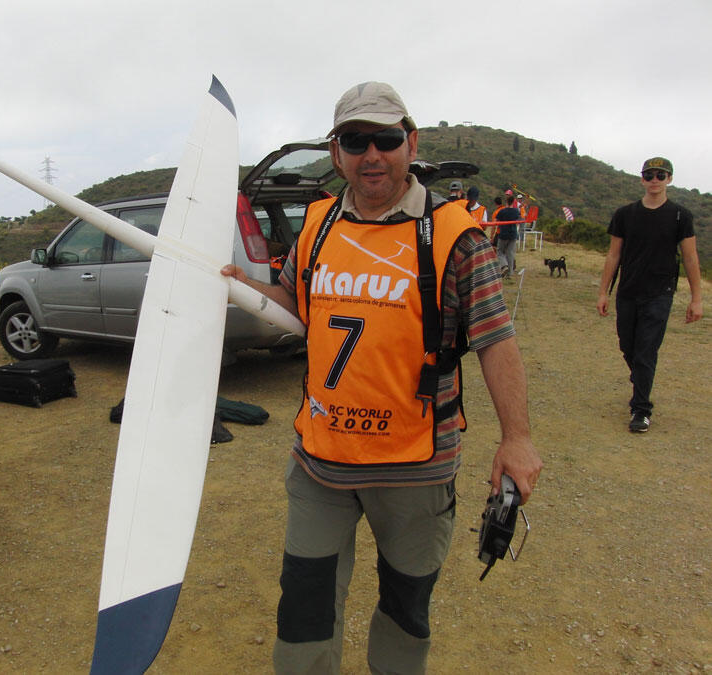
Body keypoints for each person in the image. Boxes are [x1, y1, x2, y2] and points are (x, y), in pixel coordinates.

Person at [222, 81, 542, 674]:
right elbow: (294, 302)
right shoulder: (317, 224)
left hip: (416, 468)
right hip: (320, 462)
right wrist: (239, 289)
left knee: (404, 612)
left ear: (410, 144)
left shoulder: (455, 235)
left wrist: (517, 438)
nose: (371, 154)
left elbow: (495, 338)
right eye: (355, 140)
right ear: (336, 151)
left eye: (386, 139)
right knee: (304, 615)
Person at [597, 157, 703, 433]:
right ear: (642, 179)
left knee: (646, 351)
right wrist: (603, 292)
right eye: (649, 175)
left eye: (660, 175)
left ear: (669, 179)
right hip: (628, 291)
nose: (654, 180)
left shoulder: (680, 215)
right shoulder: (625, 214)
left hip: (659, 293)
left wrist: (696, 299)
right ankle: (641, 381)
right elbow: (613, 255)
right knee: (628, 346)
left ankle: (641, 409)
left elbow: (690, 257)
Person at [494, 194, 521, 278]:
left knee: (500, 252)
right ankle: (510, 273)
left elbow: (496, 221)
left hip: (503, 234)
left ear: (506, 202)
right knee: (510, 253)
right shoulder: (516, 211)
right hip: (513, 234)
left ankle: (504, 266)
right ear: (513, 202)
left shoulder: (502, 211)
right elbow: (519, 219)